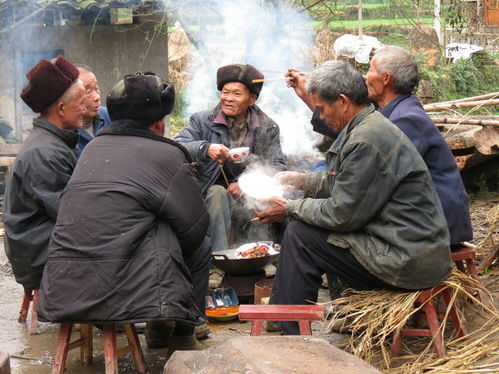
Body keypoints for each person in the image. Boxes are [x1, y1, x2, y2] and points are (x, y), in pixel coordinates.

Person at [257, 60, 452, 335]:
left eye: (322, 109)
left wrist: (290, 207)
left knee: (301, 235)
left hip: (407, 258)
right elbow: (349, 183)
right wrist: (302, 181)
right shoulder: (367, 125)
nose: (321, 117)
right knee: (306, 229)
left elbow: (342, 214)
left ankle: (291, 332)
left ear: (343, 101)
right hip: (405, 244)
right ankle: (287, 316)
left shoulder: (366, 139)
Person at [37, 72, 211, 356]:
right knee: (189, 241)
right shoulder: (167, 154)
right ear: (159, 122)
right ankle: (181, 332)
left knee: (143, 228)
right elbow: (195, 228)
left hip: (63, 289)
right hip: (122, 293)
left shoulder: (91, 149)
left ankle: (157, 327)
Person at [287, 46, 472, 247]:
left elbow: (366, 169)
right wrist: (309, 96)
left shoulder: (406, 120)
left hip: (433, 224)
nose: (365, 77)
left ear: (386, 79)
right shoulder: (390, 111)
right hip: (414, 214)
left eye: (370, 70)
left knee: (329, 229)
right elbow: (347, 127)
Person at [175, 63, 286, 252]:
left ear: (252, 99)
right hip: (210, 192)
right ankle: (219, 259)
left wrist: (248, 183)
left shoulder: (268, 127)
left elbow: (278, 164)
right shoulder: (202, 121)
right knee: (218, 192)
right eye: (225, 92)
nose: (228, 99)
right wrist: (205, 147)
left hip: (247, 192)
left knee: (258, 196)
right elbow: (177, 146)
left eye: (236, 94)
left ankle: (258, 256)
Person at [3, 56, 85, 292]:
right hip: (37, 255)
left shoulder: (55, 142)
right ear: (61, 109)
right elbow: (69, 216)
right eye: (80, 102)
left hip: (43, 245)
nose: (85, 108)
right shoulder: (45, 153)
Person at [75, 64, 111, 154]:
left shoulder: (109, 116)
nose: (97, 97)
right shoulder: (67, 130)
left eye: (97, 88)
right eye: (88, 92)